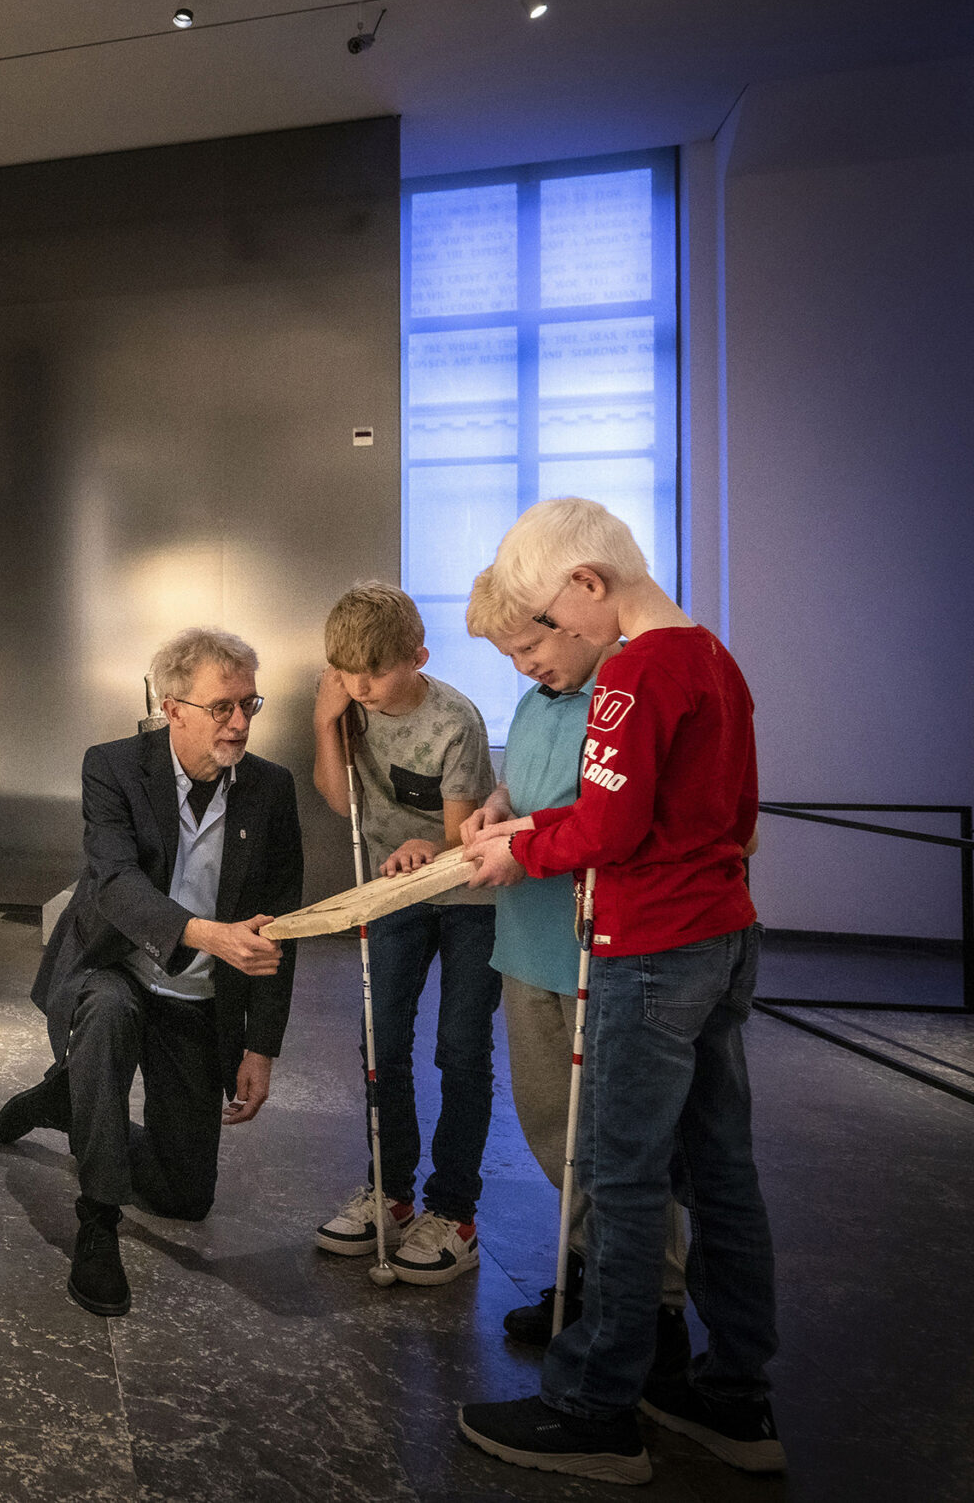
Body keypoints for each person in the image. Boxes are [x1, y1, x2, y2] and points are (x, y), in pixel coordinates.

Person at [457, 500, 781, 1484]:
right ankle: (733, 1396)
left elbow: (607, 829)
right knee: (719, 1172)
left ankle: (595, 1407)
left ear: (587, 586)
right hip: (723, 934)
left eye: (552, 614)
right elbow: (736, 813)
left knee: (620, 1172)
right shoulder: (714, 659)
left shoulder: (633, 672)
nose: (560, 638)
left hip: (646, 944)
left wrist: (518, 851)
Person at [0, 627, 304, 1319]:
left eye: (250, 703)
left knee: (185, 1195)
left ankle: (64, 1101)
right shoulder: (112, 766)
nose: (240, 721)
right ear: (174, 707)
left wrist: (261, 1045)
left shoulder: (269, 789)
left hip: (198, 995)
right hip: (116, 965)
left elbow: (282, 923)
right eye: (222, 706)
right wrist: (208, 934)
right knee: (107, 1015)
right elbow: (116, 883)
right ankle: (96, 1221)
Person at [461, 569, 690, 1369]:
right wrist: (495, 805)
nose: (523, 665)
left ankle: (651, 1301)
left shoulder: (621, 698)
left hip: (600, 948)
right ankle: (589, 1274)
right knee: (553, 1126)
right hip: (527, 942)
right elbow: (526, 788)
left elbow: (604, 820)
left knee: (617, 1141)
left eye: (530, 644)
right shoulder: (533, 704)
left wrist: (524, 835)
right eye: (510, 655)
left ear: (572, 618)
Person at [307, 583, 499, 1285]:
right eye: (347, 675)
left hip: (466, 891)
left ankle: (455, 1209)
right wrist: (327, 722)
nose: (361, 687)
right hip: (393, 890)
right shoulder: (350, 704)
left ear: (417, 657)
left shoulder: (457, 721)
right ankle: (389, 1193)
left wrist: (425, 844)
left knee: (459, 1046)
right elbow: (339, 799)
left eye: (376, 674)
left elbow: (460, 838)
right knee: (381, 1039)